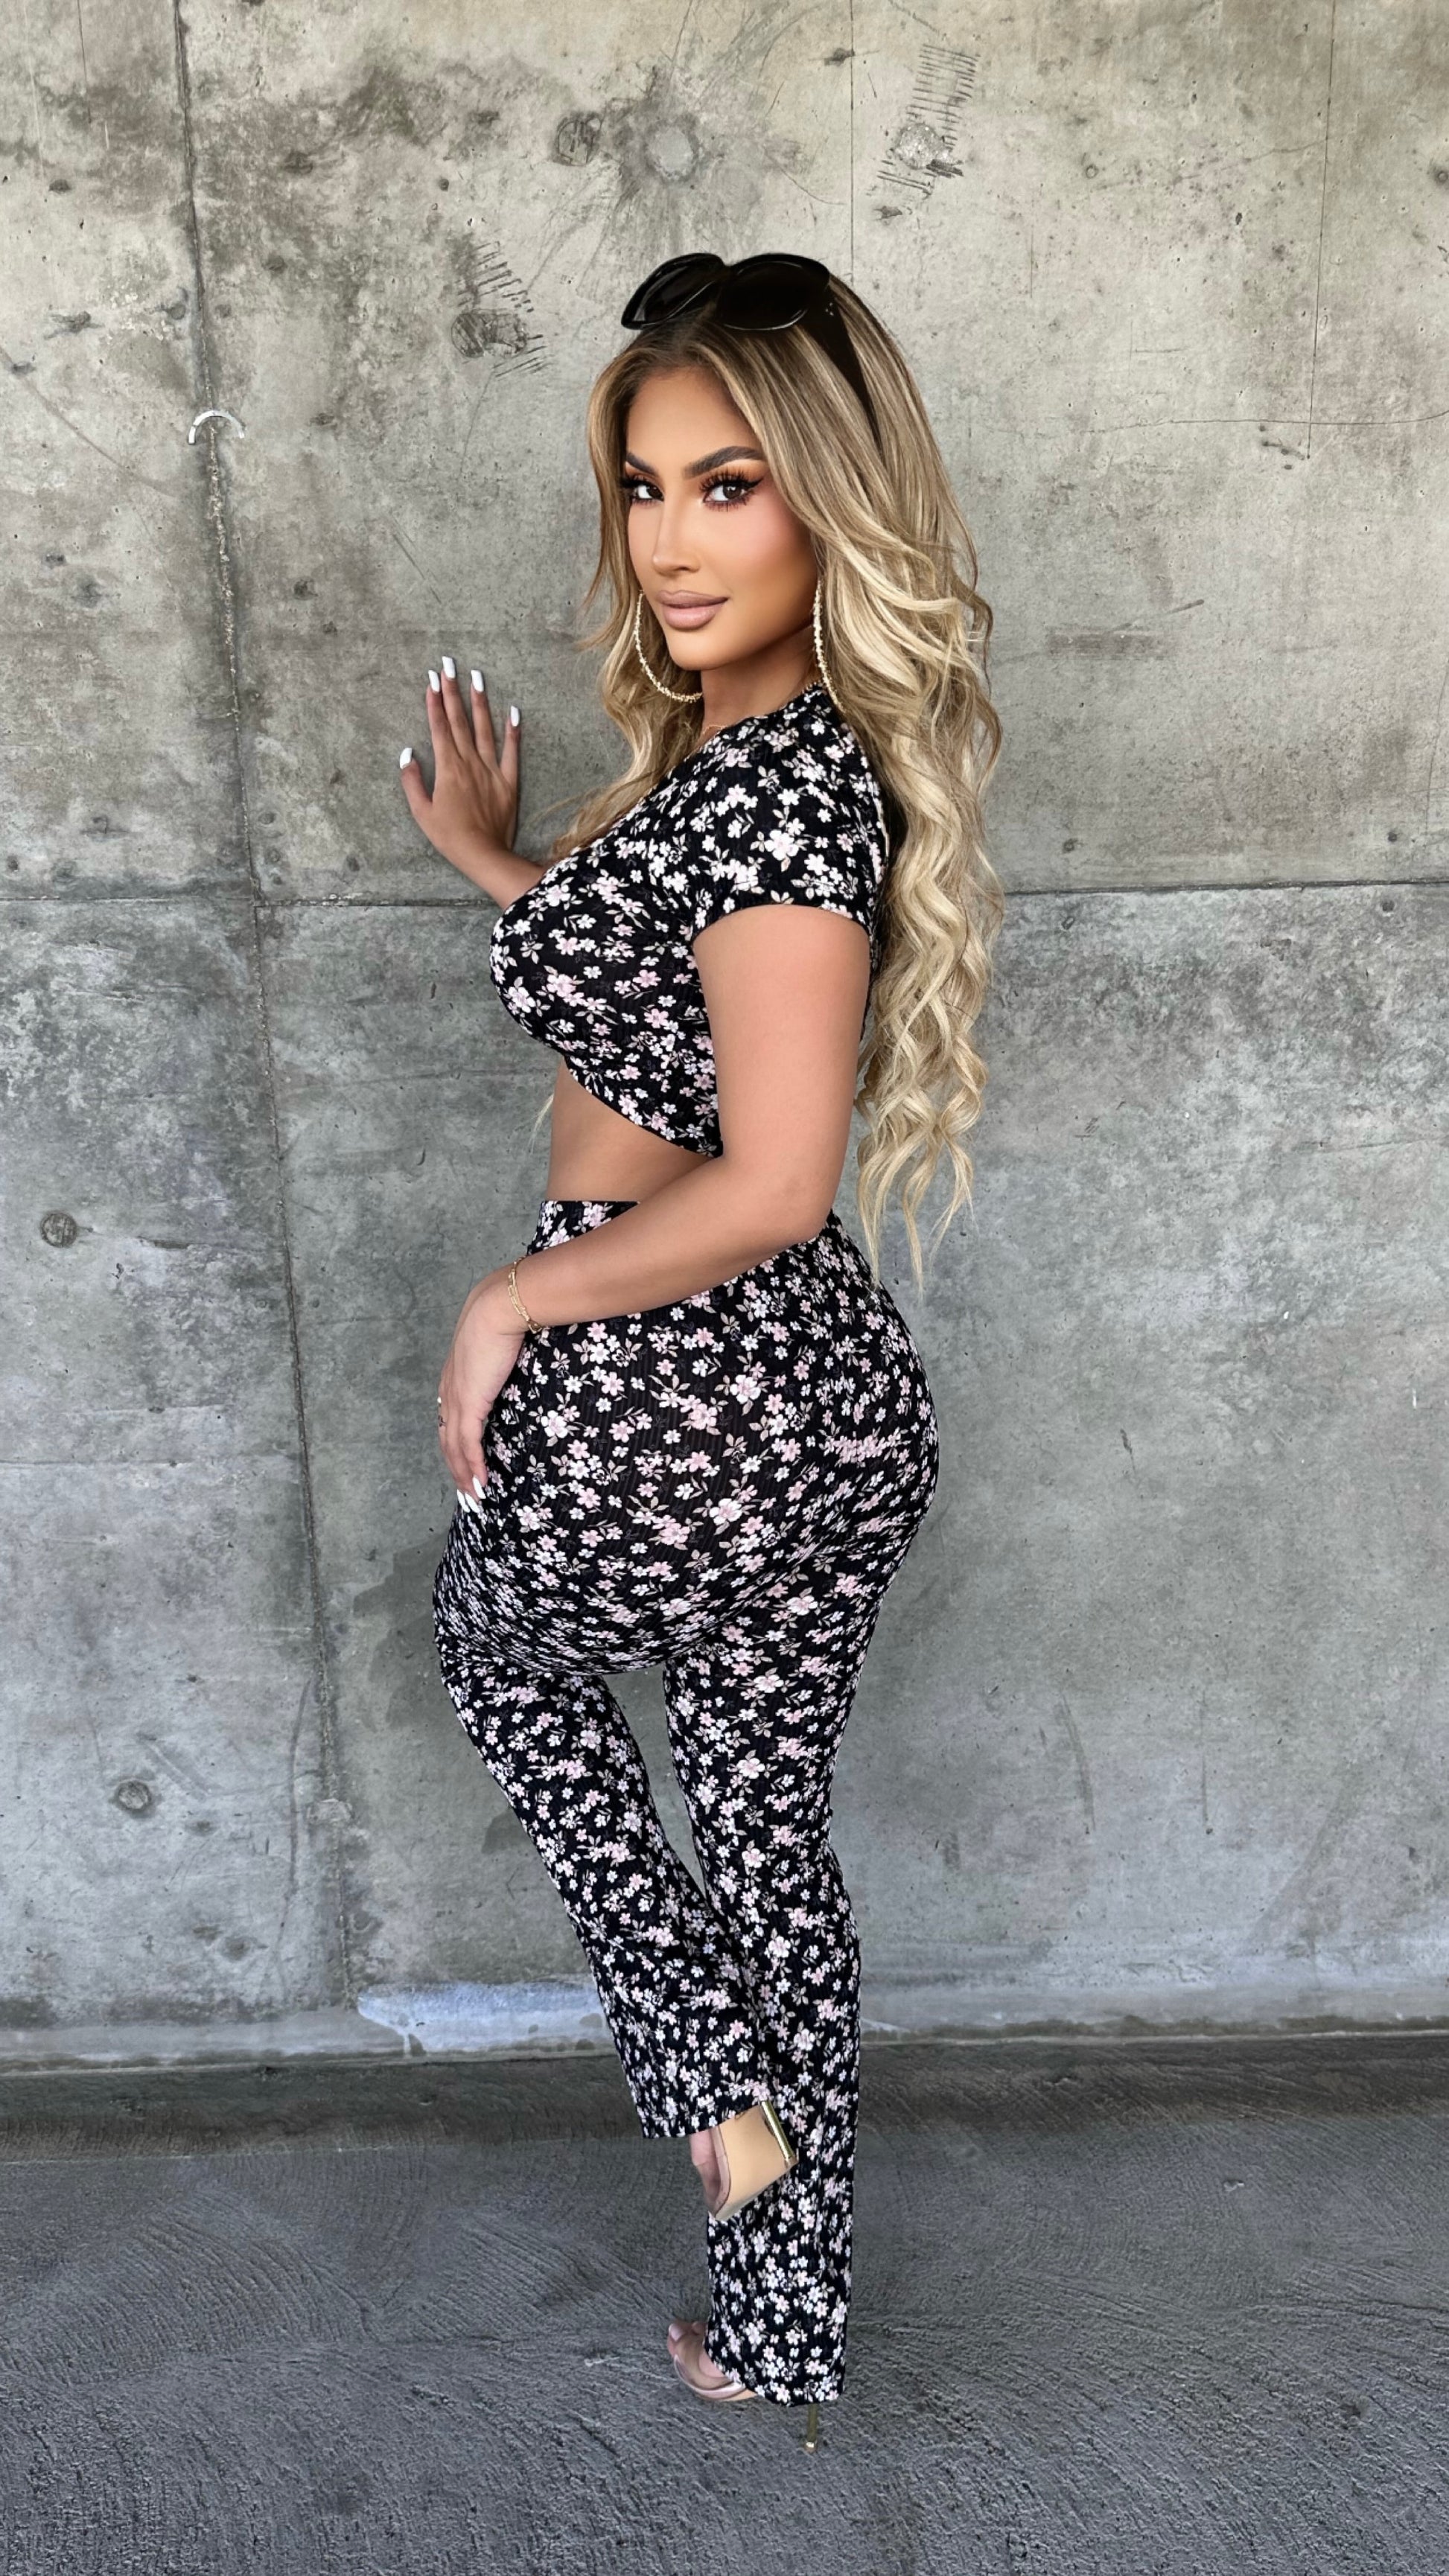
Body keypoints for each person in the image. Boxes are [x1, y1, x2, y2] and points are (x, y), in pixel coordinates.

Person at [397, 252, 1002, 2441]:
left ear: (833, 501)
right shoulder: (766, 762)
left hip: (680, 1368)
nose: (668, 537)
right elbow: (669, 1006)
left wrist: (507, 1295)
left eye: (728, 484)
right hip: (801, 1405)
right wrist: (504, 867)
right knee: (760, 1828)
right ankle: (783, 2307)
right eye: (645, 486)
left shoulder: (777, 798)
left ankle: (706, 2085)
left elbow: (765, 1178)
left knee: (501, 1651)